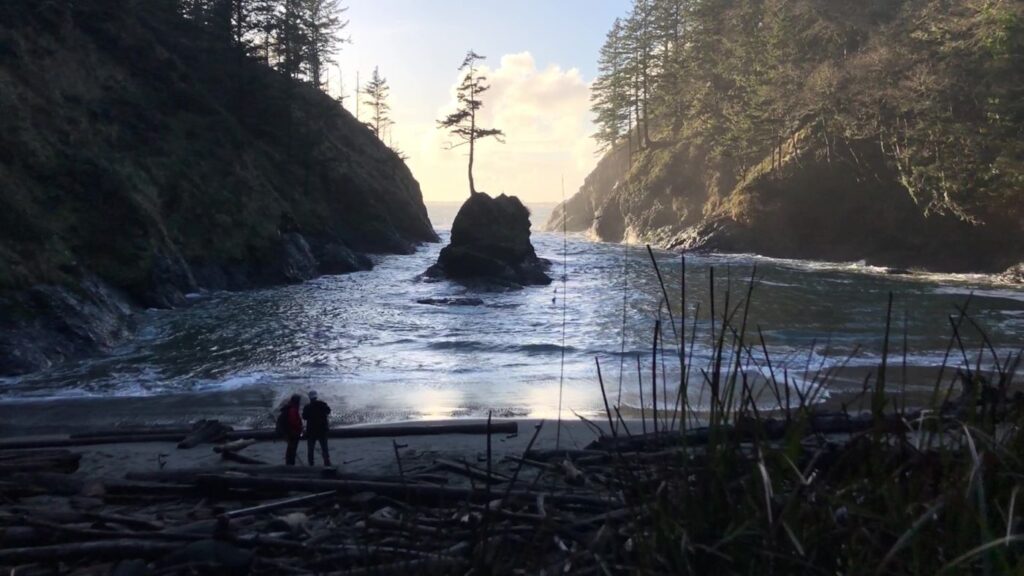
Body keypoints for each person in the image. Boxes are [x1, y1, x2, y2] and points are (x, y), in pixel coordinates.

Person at [302, 390, 332, 466]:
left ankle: (311, 464)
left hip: (311, 430)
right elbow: (328, 411)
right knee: (324, 447)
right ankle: (327, 462)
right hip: (322, 429)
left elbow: (304, 417)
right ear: (316, 397)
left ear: (309, 398)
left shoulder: (307, 407)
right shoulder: (322, 404)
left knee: (311, 449)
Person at [278, 394, 303, 465]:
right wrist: (300, 428)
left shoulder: (288, 408)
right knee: (292, 449)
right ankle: (291, 464)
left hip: (288, 432)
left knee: (290, 449)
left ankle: (289, 464)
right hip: (293, 432)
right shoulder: (293, 409)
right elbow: (294, 421)